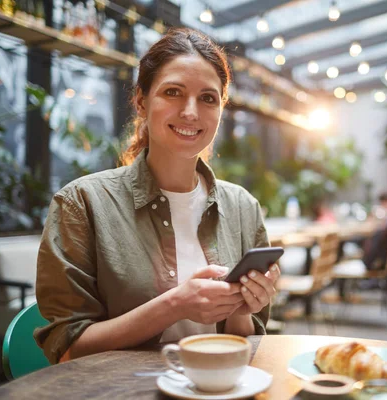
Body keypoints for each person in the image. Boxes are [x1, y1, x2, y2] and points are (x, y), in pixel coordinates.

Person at [34, 28, 280, 365]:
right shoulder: (82, 203)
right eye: (173, 92)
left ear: (221, 108)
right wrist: (176, 304)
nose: (191, 112)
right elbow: (66, 351)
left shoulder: (243, 208)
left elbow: (243, 343)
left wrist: (241, 307)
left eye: (208, 98)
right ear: (141, 101)